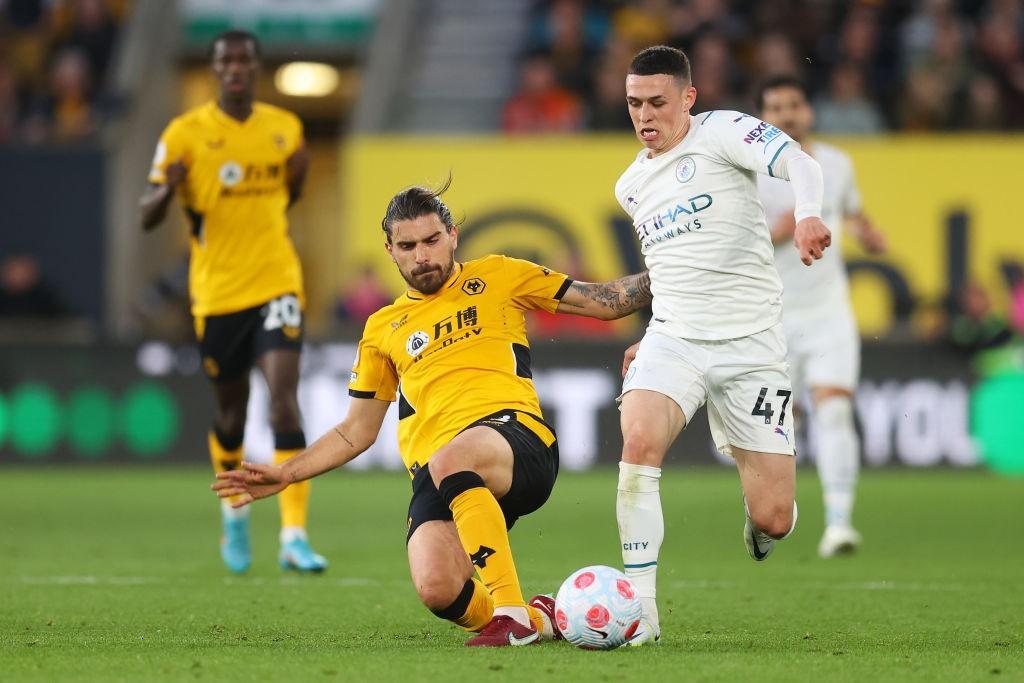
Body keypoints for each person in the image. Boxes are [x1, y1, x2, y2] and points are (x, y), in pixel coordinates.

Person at [213, 180, 652, 647]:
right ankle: (541, 619)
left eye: (431, 241)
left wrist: (680, 271)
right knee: (438, 589)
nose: (422, 256)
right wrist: (287, 473)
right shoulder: (382, 328)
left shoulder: (499, 275)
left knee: (452, 459)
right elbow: (354, 432)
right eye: (407, 246)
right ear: (390, 250)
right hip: (439, 469)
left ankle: (510, 614)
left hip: (517, 439)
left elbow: (606, 300)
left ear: (452, 235)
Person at [613, 46, 831, 645]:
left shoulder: (724, 133)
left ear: (689, 97)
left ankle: (756, 508)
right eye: (634, 103)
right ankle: (643, 613)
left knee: (775, 517)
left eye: (658, 102)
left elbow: (804, 166)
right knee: (638, 442)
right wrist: (648, 335)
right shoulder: (630, 185)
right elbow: (671, 265)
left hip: (752, 349)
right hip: (675, 340)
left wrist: (808, 215)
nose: (645, 115)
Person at [139, 30, 325, 575]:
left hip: (277, 282)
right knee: (231, 414)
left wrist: (299, 177)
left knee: (283, 399)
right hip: (218, 294)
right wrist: (166, 189)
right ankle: (235, 514)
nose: (237, 68)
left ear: (256, 68)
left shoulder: (284, 129)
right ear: (215, 70)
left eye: (245, 60)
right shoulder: (184, 134)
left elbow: (290, 192)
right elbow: (145, 214)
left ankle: (294, 534)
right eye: (227, 61)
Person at [755, 76, 887, 558]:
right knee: (773, 426)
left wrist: (868, 233)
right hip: (772, 318)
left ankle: (839, 524)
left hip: (829, 311)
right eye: (776, 106)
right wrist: (778, 230)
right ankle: (770, 514)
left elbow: (851, 211)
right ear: (762, 118)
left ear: (808, 110)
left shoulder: (837, 163)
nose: (787, 114)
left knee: (834, 409)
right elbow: (736, 243)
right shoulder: (750, 173)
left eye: (794, 104)